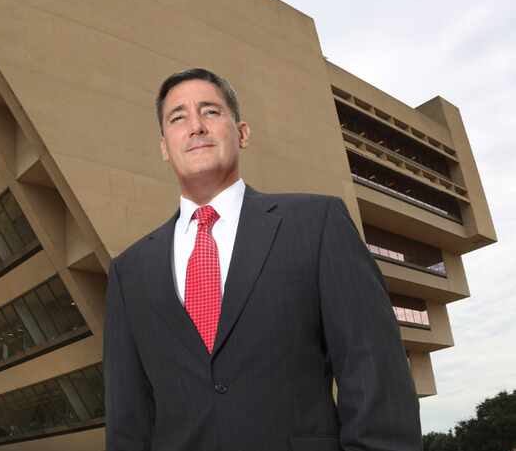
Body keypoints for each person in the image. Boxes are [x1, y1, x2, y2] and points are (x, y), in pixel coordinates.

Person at [103, 68, 421, 451]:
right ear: (164, 147)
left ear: (242, 133)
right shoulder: (129, 271)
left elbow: (374, 373)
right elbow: (128, 418)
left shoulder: (316, 225)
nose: (196, 126)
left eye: (211, 112)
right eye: (178, 118)